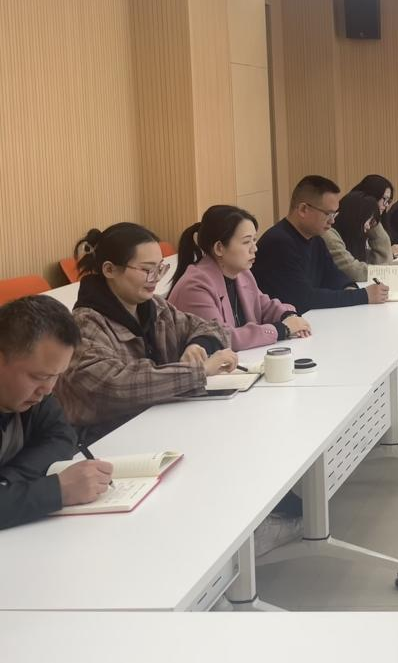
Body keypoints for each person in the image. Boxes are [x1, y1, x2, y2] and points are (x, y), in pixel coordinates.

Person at [55, 223, 236, 440]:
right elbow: (115, 386)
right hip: (107, 439)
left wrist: (198, 345)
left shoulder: (155, 306)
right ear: (109, 270)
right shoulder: (85, 324)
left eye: (160, 269)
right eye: (147, 270)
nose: (156, 278)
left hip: (159, 424)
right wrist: (198, 371)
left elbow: (212, 327)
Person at [1, 296, 115, 529]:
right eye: (40, 376)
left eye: (56, 376)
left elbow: (61, 437)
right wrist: (58, 490)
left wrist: (8, 481)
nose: (48, 389)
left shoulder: (32, 395)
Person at [168, 205, 312, 351]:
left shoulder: (242, 273)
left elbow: (265, 307)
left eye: (254, 240)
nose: (254, 248)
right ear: (219, 248)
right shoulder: (195, 287)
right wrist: (281, 329)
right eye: (246, 242)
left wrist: (288, 316)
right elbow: (221, 337)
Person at [252, 175, 389, 313]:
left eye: (334, 214)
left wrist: (349, 288)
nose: (332, 221)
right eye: (328, 214)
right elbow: (303, 299)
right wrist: (362, 296)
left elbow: (334, 275)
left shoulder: (315, 238)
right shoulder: (278, 243)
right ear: (303, 209)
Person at [323, 191, 381, 283]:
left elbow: (377, 261)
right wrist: (392, 271)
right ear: (356, 217)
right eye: (369, 220)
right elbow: (356, 272)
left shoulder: (352, 237)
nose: (369, 227)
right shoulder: (329, 236)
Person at [351, 174, 398, 261]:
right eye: (384, 199)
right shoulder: (353, 220)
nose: (386, 205)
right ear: (371, 196)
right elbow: (359, 260)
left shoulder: (378, 218)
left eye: (388, 201)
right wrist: (388, 252)